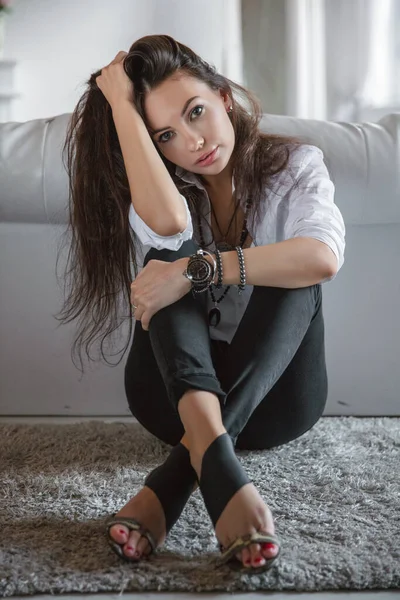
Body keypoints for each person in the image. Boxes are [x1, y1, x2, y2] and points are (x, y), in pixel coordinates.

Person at [57, 34, 346, 573]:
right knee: (164, 258)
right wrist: (121, 103)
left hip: (277, 402)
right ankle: (217, 461)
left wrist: (201, 271)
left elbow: (322, 259)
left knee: (296, 274)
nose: (192, 142)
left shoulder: (295, 165)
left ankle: (178, 479)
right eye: (166, 134)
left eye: (196, 113)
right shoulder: (161, 188)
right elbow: (168, 228)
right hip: (171, 399)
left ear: (224, 98)